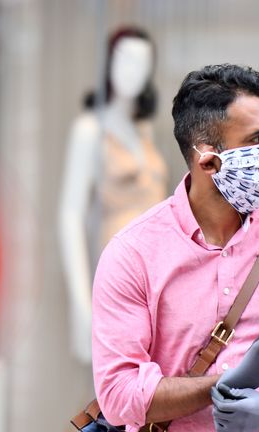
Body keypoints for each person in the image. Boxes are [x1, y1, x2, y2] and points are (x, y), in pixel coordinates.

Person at [91, 64, 259, 431]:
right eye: (257, 140)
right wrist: (228, 382)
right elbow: (118, 393)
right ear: (208, 158)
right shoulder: (133, 254)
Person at [59, 27, 167, 363]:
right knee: (114, 394)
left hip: (159, 279)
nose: (131, 70)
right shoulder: (90, 131)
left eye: (141, 62)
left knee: (150, 394)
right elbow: (70, 215)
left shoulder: (145, 132)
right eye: (123, 59)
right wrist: (80, 302)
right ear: (107, 63)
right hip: (116, 278)